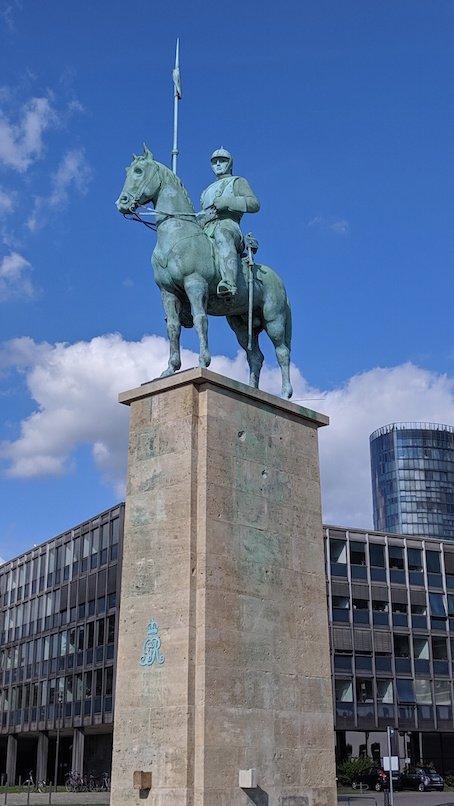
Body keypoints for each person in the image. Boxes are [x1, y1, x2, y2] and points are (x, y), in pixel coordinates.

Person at [198, 148, 260, 298]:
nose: (218, 164)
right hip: (206, 228)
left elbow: (254, 204)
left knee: (222, 234)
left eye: (222, 161)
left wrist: (228, 202)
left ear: (230, 163)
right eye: (214, 162)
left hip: (229, 224)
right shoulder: (206, 191)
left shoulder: (237, 181)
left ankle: (229, 282)